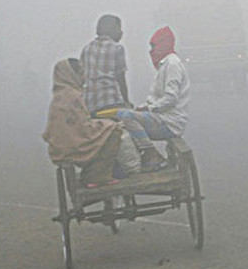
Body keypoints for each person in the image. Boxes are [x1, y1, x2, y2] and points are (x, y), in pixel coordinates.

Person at [118, 26, 190, 172]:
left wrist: (149, 108)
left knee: (127, 117)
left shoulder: (172, 65)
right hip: (161, 117)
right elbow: (158, 99)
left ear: (163, 44)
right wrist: (144, 107)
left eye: (154, 46)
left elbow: (171, 98)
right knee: (120, 115)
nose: (151, 51)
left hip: (170, 123)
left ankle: (151, 154)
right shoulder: (165, 65)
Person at [42, 58, 122, 188]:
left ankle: (90, 173)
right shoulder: (73, 95)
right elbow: (83, 128)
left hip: (59, 147)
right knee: (114, 130)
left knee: (105, 128)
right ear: (72, 75)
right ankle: (99, 176)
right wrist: (108, 124)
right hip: (72, 146)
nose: (84, 77)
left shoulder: (59, 95)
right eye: (81, 73)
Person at [80, 14, 131, 115]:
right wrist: (126, 102)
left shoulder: (87, 49)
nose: (121, 32)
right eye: (119, 28)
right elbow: (120, 78)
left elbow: (81, 77)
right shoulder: (117, 48)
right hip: (111, 101)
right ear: (111, 29)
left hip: (89, 104)